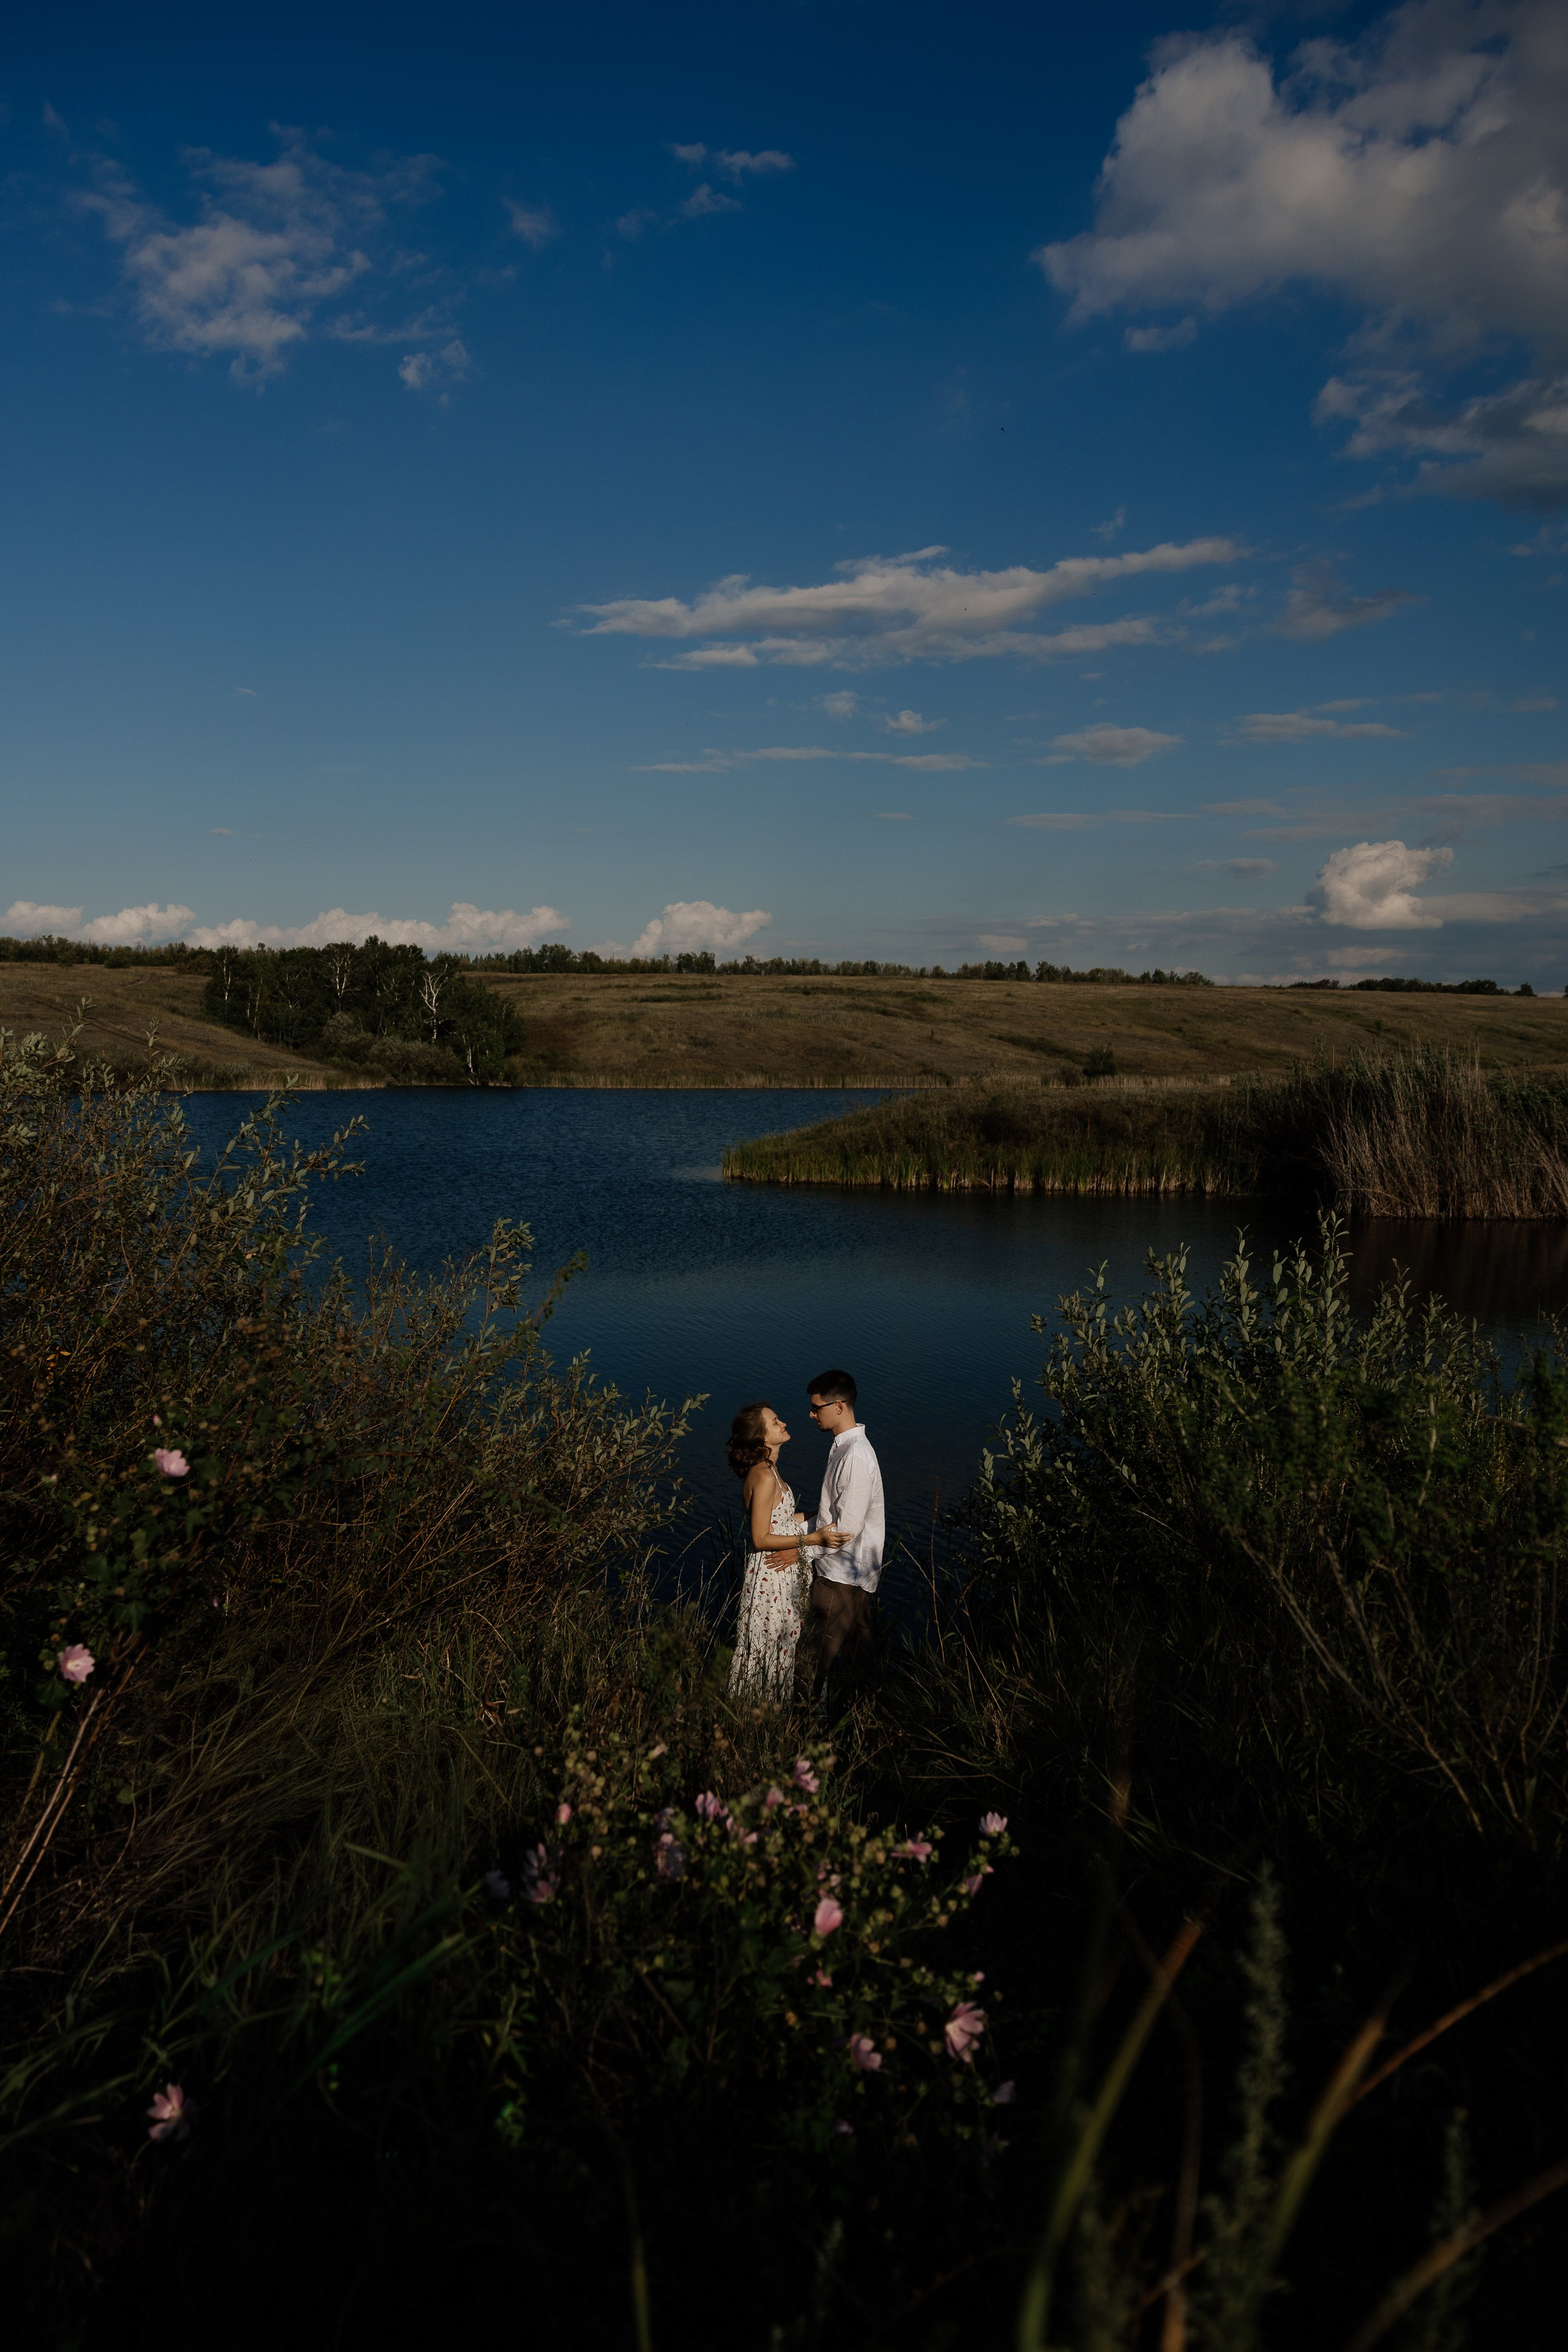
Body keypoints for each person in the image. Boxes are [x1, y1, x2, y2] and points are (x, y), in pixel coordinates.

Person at [726, 1401, 848, 1700]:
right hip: (771, 1574)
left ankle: (768, 1709)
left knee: (779, 1641)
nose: (784, 1424)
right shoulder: (765, 1476)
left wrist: (819, 1516)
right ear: (762, 1438)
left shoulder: (769, 1470)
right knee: (768, 1641)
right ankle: (758, 1710)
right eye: (775, 1422)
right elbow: (761, 1538)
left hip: (778, 1572)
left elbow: (778, 1521)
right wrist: (814, 1540)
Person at [801, 1368, 884, 1700]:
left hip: (841, 1577)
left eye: (816, 1407)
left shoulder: (855, 1456)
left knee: (810, 1666)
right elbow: (831, 1514)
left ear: (839, 1406)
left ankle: (803, 1734)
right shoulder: (844, 1447)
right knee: (860, 1663)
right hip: (851, 1575)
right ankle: (867, 1725)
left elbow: (844, 1531)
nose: (811, 1414)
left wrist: (798, 1551)